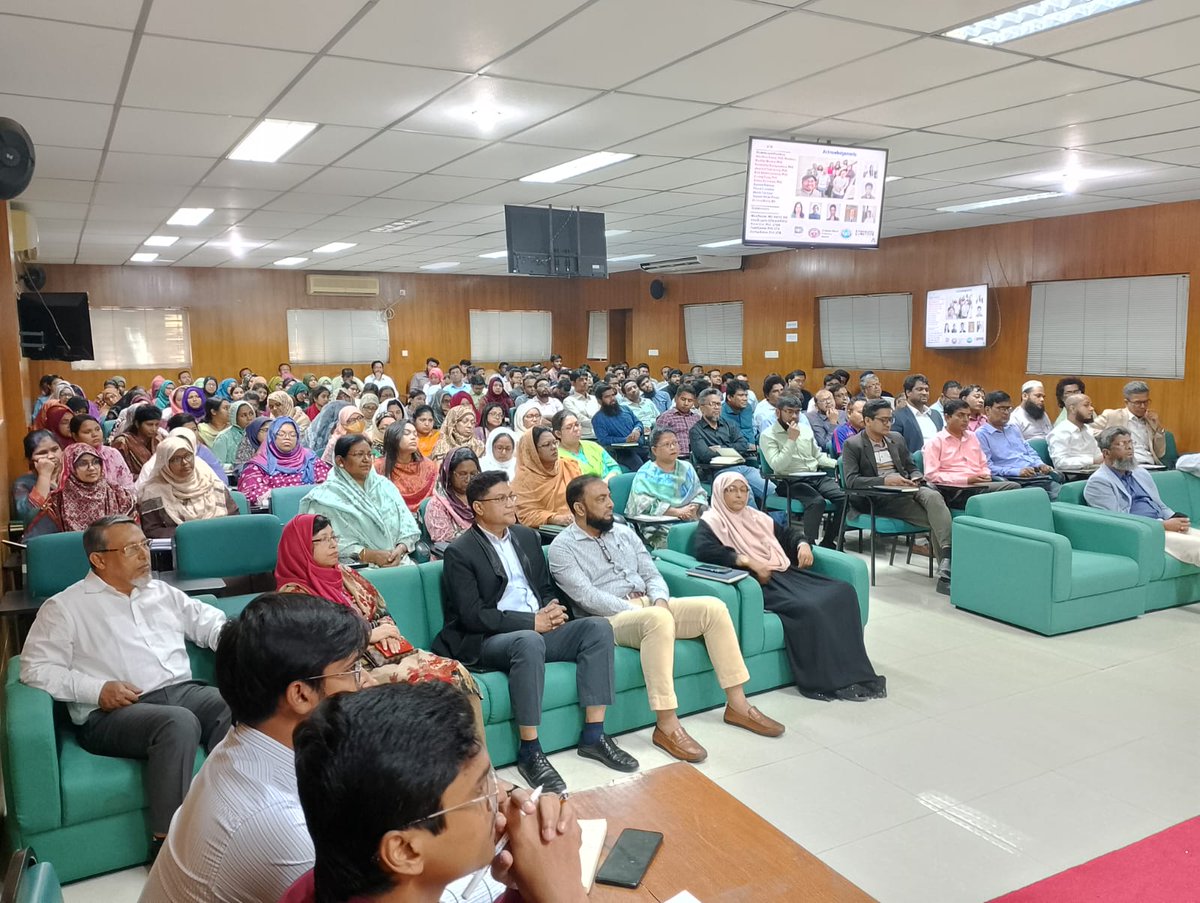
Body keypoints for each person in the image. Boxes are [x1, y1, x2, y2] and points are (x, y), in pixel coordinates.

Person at [21, 515, 230, 862]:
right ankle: (166, 846)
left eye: (144, 545)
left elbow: (207, 623)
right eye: (131, 549)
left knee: (229, 703)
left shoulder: (161, 592)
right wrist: (97, 689)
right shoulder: (65, 607)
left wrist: (238, 643)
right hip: (113, 712)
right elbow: (35, 669)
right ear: (98, 559)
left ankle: (228, 817)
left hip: (180, 690)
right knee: (177, 723)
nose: (143, 554)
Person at [139, 593, 371, 903]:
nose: (365, 682)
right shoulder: (278, 826)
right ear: (300, 695)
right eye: (351, 671)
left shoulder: (241, 747)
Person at [550, 476, 783, 764]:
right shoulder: (562, 548)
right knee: (657, 621)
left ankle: (738, 704)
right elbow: (587, 597)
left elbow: (651, 572)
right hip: (609, 619)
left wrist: (660, 599)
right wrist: (643, 611)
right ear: (579, 508)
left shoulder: (623, 532)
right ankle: (667, 724)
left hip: (651, 605)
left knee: (713, 608)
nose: (611, 503)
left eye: (609, 496)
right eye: (601, 499)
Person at [434, 471, 636, 794]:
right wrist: (531, 623)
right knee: (528, 642)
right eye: (502, 499)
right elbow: (473, 616)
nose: (511, 503)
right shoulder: (460, 552)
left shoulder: (527, 537)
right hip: (488, 640)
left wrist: (552, 609)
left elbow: (543, 588)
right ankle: (530, 751)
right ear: (479, 508)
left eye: (511, 496)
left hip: (537, 626)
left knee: (597, 628)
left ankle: (594, 735)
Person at [696, 472, 885, 701]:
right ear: (719, 492)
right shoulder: (712, 521)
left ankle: (852, 669)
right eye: (731, 490)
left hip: (784, 571)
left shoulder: (756, 517)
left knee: (842, 591)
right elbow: (706, 551)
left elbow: (788, 535)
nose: (739, 495)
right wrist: (746, 560)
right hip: (758, 580)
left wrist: (803, 544)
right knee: (810, 607)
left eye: (743, 489)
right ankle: (824, 678)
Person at [277, 516, 475, 693]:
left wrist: (387, 629)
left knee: (456, 671)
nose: (333, 545)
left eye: (333, 537)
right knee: (434, 683)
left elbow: (380, 611)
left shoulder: (344, 573)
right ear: (300, 546)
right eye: (322, 539)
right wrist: (368, 635)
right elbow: (317, 645)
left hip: (387, 654)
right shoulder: (293, 595)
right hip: (351, 670)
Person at [842, 400, 954, 593]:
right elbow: (851, 481)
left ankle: (946, 565)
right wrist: (885, 481)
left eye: (890, 419)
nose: (888, 424)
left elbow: (911, 466)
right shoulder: (853, 444)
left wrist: (916, 476)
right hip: (880, 496)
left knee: (934, 498)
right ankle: (948, 571)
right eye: (883, 420)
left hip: (909, 488)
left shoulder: (896, 438)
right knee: (938, 518)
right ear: (868, 420)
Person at [1085, 427, 1200, 565]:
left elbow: (1159, 505)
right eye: (1121, 444)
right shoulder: (1099, 482)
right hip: (1143, 533)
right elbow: (1117, 521)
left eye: (1130, 442)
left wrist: (1175, 518)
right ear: (1106, 453)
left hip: (1161, 525)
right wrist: (1163, 525)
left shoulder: (1140, 473)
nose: (1129, 448)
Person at [301, 435, 420, 568]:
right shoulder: (324, 497)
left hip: (399, 561)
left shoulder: (385, 486)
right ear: (340, 460)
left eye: (369, 454)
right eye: (359, 454)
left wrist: (399, 550)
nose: (366, 460)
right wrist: (370, 555)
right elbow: (322, 544)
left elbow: (408, 526)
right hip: (355, 567)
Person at [760, 394, 844, 548]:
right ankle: (808, 544)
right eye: (789, 411)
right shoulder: (768, 436)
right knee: (816, 502)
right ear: (778, 412)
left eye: (797, 412)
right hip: (789, 480)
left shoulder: (805, 430)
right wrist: (791, 439)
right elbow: (778, 465)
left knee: (845, 497)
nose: (794, 416)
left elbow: (817, 456)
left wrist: (839, 464)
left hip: (814, 475)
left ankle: (828, 541)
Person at [137, 434, 239, 538]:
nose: (185, 462)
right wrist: (190, 534)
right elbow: (151, 530)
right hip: (180, 548)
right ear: (165, 463)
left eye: (188, 456)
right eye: (176, 459)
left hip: (220, 540)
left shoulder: (210, 481)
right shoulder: (153, 492)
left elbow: (234, 516)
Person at [921, 400, 1019, 507]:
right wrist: (966, 479)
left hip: (980, 484)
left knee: (1014, 490)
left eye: (968, 416)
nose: (965, 420)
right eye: (961, 415)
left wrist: (985, 474)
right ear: (947, 417)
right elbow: (931, 476)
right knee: (1012, 488)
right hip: (955, 490)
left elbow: (983, 463)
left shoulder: (972, 437)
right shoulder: (935, 442)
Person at [625, 428, 708, 549]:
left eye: (675, 443)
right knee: (684, 546)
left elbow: (699, 493)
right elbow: (642, 503)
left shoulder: (687, 467)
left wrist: (693, 508)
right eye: (667, 445)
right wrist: (677, 512)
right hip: (659, 525)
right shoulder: (646, 473)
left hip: (691, 519)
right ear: (654, 450)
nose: (673, 447)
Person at [30, 443, 138, 534]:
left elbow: (132, 533)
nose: (91, 468)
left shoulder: (118, 494)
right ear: (70, 467)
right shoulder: (57, 500)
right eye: (82, 463)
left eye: (96, 462)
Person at [975, 390, 1059, 499]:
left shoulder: (1013, 428)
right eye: (1002, 408)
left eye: (1008, 408)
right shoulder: (981, 434)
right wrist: (1017, 472)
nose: (1006, 412)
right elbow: (987, 466)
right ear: (988, 410)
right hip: (1014, 479)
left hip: (1034, 474)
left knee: (1063, 491)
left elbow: (1029, 450)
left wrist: (1040, 464)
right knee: (1049, 495)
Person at [690, 388, 770, 500]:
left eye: (719, 404)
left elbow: (743, 445)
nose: (717, 407)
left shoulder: (729, 424)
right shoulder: (696, 430)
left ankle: (773, 518)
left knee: (770, 490)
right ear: (702, 407)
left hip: (741, 466)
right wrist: (731, 450)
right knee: (746, 493)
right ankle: (752, 518)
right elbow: (704, 455)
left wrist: (719, 449)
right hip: (718, 471)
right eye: (713, 404)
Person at [238, 418, 330, 508]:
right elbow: (251, 493)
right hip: (277, 514)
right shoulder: (257, 466)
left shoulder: (310, 459)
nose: (287, 438)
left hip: (312, 511)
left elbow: (328, 485)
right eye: (281, 434)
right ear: (272, 436)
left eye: (293, 435)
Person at [512, 427, 580, 528]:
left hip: (580, 521)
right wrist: (556, 519)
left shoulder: (569, 466)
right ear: (533, 451)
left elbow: (585, 495)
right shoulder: (523, 480)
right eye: (546, 445)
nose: (553, 447)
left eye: (555, 442)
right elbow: (527, 515)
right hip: (549, 532)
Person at [1092, 380, 1167, 466]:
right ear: (1126, 402)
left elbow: (1160, 453)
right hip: (1123, 465)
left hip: (1149, 464)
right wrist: (1112, 437)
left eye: (1146, 402)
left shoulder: (1150, 421)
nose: (1143, 406)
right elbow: (1089, 430)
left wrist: (1158, 428)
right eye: (1138, 403)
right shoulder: (1112, 415)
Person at [14, 430, 65, 539]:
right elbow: (27, 515)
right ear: (30, 460)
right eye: (42, 453)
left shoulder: (71, 476)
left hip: (73, 539)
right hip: (40, 541)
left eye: (55, 449)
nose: (51, 456)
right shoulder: (23, 483)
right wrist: (44, 476)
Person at [379, 420, 438, 513]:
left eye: (415, 434)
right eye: (407, 433)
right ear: (394, 437)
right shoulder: (379, 467)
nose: (413, 437)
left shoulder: (428, 466)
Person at [425, 448, 480, 543]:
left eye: (473, 474)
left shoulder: (483, 497)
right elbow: (444, 540)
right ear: (449, 474)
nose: (468, 479)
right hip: (455, 554)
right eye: (462, 474)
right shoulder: (437, 505)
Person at [68, 413, 135, 490]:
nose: (94, 434)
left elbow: (127, 482)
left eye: (97, 429)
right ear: (75, 436)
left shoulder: (112, 453)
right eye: (87, 432)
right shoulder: (71, 458)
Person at [591, 382, 649, 471]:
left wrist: (637, 430)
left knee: (656, 458)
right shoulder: (597, 419)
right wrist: (625, 440)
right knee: (638, 464)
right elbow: (604, 439)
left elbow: (638, 422)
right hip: (620, 452)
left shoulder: (625, 409)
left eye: (613, 395)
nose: (612, 398)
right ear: (599, 400)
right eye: (607, 397)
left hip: (639, 446)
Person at [553, 410, 619, 481]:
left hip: (610, 484)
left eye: (577, 424)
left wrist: (606, 482)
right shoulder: (556, 456)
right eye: (569, 427)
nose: (576, 429)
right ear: (558, 434)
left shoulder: (592, 445)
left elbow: (614, 467)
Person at [1048, 393, 1102, 469]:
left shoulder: (1088, 429)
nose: (1091, 408)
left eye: (1091, 405)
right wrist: (1092, 460)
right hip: (1076, 475)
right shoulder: (1060, 432)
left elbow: (1097, 454)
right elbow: (1060, 462)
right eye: (1086, 405)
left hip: (1094, 470)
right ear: (1072, 409)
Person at [890, 374, 943, 453]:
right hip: (915, 462)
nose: (924, 393)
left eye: (926, 390)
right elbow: (897, 448)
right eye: (920, 389)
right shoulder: (898, 416)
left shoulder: (935, 415)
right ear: (908, 392)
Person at [654, 383, 701, 457]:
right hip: (675, 457)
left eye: (690, 401)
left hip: (696, 457)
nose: (686, 403)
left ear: (694, 402)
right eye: (683, 399)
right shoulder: (666, 417)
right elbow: (656, 441)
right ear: (676, 398)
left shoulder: (696, 418)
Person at [212, 400, 255, 466]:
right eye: (243, 415)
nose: (249, 418)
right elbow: (216, 465)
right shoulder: (223, 437)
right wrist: (237, 467)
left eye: (251, 414)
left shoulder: (257, 433)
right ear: (234, 418)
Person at [720, 379, 758, 447]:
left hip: (753, 450)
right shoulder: (720, 412)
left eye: (746, 395)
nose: (745, 398)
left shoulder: (748, 408)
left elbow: (750, 431)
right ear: (729, 397)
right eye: (741, 395)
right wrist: (747, 446)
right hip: (734, 451)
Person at [562, 370, 599, 439]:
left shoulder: (594, 399)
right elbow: (578, 418)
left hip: (598, 434)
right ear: (573, 383)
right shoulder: (568, 401)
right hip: (582, 436)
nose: (585, 382)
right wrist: (598, 424)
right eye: (581, 380)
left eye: (586, 379)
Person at [806, 388, 841, 453]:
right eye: (823, 400)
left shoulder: (843, 414)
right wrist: (833, 423)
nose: (828, 402)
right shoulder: (812, 418)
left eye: (830, 398)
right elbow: (825, 446)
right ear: (816, 406)